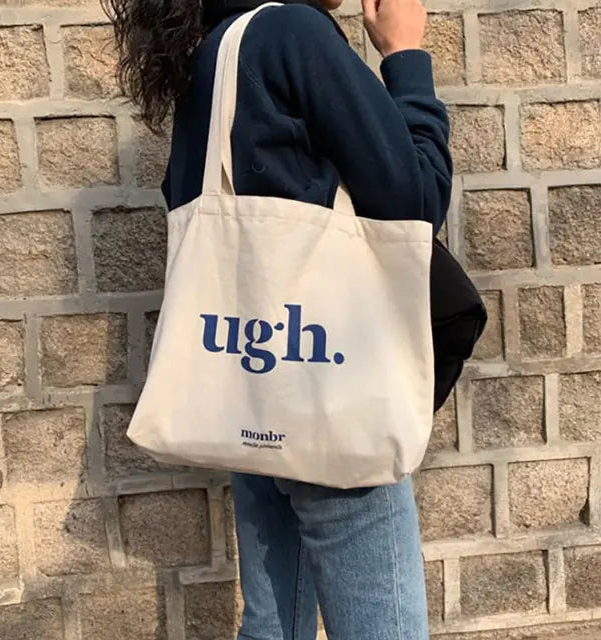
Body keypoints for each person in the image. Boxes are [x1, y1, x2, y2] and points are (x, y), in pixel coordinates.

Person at [105, 0, 452, 635]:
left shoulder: (214, 48)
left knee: (273, 625)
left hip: (251, 390)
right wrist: (404, 56)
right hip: (328, 393)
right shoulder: (295, 34)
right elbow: (418, 203)